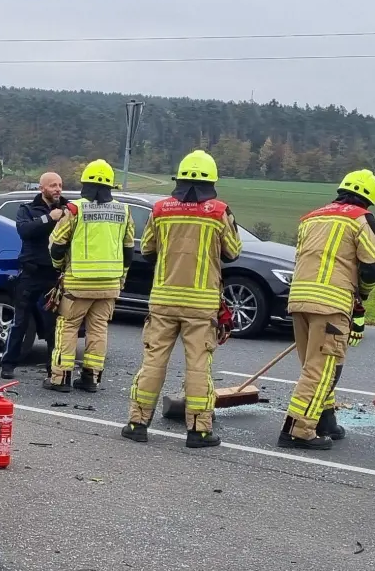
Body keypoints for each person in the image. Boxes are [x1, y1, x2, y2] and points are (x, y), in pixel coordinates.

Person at [121, 150, 242, 448]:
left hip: (163, 300)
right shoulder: (219, 211)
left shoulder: (161, 209)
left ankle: (137, 424)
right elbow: (232, 252)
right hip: (201, 304)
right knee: (198, 366)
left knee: (153, 362)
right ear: (211, 181)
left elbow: (147, 250)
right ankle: (198, 431)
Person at [278, 170, 375, 450]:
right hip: (331, 303)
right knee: (322, 370)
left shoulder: (311, 217)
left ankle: (325, 420)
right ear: (369, 198)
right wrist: (363, 294)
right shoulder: (361, 219)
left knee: (315, 366)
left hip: (299, 299)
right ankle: (296, 430)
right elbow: (372, 268)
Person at [46, 159, 133, 392]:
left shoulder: (75, 210)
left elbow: (57, 245)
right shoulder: (124, 211)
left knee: (68, 327)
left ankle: (60, 378)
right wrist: (122, 277)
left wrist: (59, 267)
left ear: (85, 183)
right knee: (99, 329)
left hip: (78, 284)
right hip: (110, 284)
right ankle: (91, 378)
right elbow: (128, 250)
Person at [3, 171, 68, 380]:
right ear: (42, 188)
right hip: (30, 274)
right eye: (53, 185)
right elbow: (25, 231)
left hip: (53, 276)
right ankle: (8, 365)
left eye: (60, 185)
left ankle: (53, 369)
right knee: (20, 322)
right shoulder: (27, 209)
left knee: (52, 325)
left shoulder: (68, 208)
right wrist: (49, 218)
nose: (58, 189)